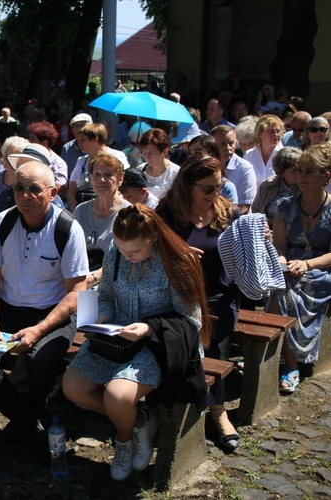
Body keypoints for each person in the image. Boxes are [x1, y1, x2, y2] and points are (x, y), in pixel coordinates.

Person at [63, 204, 210, 481]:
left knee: (117, 396)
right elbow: (106, 293)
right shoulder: (116, 253)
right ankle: (140, 420)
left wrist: (148, 327)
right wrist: (102, 317)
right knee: (72, 387)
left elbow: (191, 321)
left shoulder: (177, 262)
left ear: (153, 236)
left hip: (158, 344)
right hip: (117, 339)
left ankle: (124, 439)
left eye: (136, 251)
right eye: (122, 249)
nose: (128, 257)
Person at [0, 161, 89, 446]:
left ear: (53, 192)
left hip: (52, 312)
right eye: (19, 188)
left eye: (34, 189)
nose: (26, 196)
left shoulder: (68, 228)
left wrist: (39, 330)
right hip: (7, 309)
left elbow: (76, 293)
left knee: (39, 360)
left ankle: (26, 423)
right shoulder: (2, 222)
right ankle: (28, 420)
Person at [157, 155, 243, 451]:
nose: (213, 195)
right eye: (206, 189)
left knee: (201, 335)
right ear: (188, 185)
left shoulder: (226, 212)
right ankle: (212, 412)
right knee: (189, 334)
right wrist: (177, 251)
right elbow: (150, 250)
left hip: (220, 297)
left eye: (218, 187)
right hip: (179, 296)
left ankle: (212, 411)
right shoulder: (169, 211)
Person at [270, 143, 331, 394]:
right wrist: (284, 264)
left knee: (290, 291)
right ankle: (288, 362)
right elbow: (280, 247)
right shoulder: (285, 206)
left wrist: (307, 264)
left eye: (309, 171)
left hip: (322, 268)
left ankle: (289, 364)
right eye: (300, 170)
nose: (301, 177)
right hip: (291, 266)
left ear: (325, 177)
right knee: (279, 286)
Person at [74, 153, 130, 275]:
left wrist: (94, 278)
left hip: (113, 278)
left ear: (120, 180)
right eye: (97, 175)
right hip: (82, 276)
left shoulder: (129, 213)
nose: (101, 180)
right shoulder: (80, 211)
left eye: (108, 175)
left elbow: (127, 259)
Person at [67, 123, 130, 212]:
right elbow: (71, 192)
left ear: (95, 139)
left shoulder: (118, 157)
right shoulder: (81, 161)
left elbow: (126, 186)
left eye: (83, 140)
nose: (79, 143)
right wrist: (76, 213)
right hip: (85, 210)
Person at [212, 125, 257, 214]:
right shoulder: (206, 165)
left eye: (231, 143)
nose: (228, 148)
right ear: (212, 144)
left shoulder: (245, 168)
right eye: (223, 144)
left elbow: (244, 207)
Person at [252, 147, 301, 228]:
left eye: (300, 169)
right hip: (266, 230)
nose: (299, 173)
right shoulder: (267, 185)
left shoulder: (304, 188)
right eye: (294, 171)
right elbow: (256, 211)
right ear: (281, 171)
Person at [186, 135, 239, 205]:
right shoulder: (184, 182)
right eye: (189, 153)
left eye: (197, 152)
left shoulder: (227, 187)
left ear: (212, 154)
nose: (192, 157)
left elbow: (232, 214)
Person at [136, 128, 180, 199]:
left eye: (152, 153)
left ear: (165, 151)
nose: (147, 157)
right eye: (144, 153)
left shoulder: (176, 173)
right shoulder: (140, 170)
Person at [243, 114, 285, 184]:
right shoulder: (249, 155)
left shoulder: (285, 155)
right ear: (259, 134)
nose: (276, 135)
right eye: (271, 132)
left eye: (278, 131)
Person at [60, 113, 93, 180]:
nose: (79, 130)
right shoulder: (67, 148)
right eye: (75, 126)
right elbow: (62, 173)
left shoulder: (96, 146)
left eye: (82, 125)